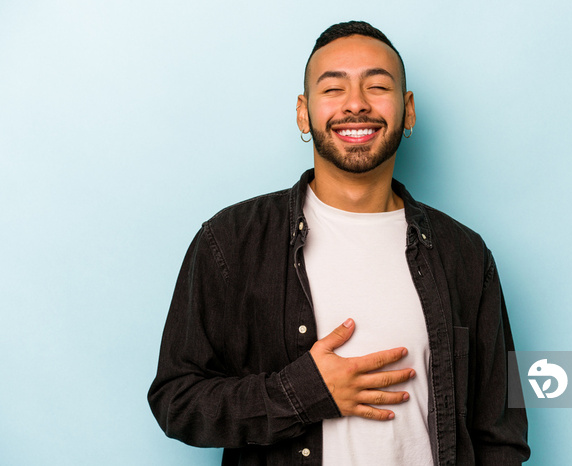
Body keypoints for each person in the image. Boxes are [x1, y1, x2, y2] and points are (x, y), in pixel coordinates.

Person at [148, 20, 530, 466]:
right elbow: (176, 400)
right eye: (333, 89)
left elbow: (501, 434)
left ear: (408, 111)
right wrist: (302, 392)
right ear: (302, 113)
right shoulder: (230, 241)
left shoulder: (466, 255)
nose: (356, 104)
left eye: (377, 86)